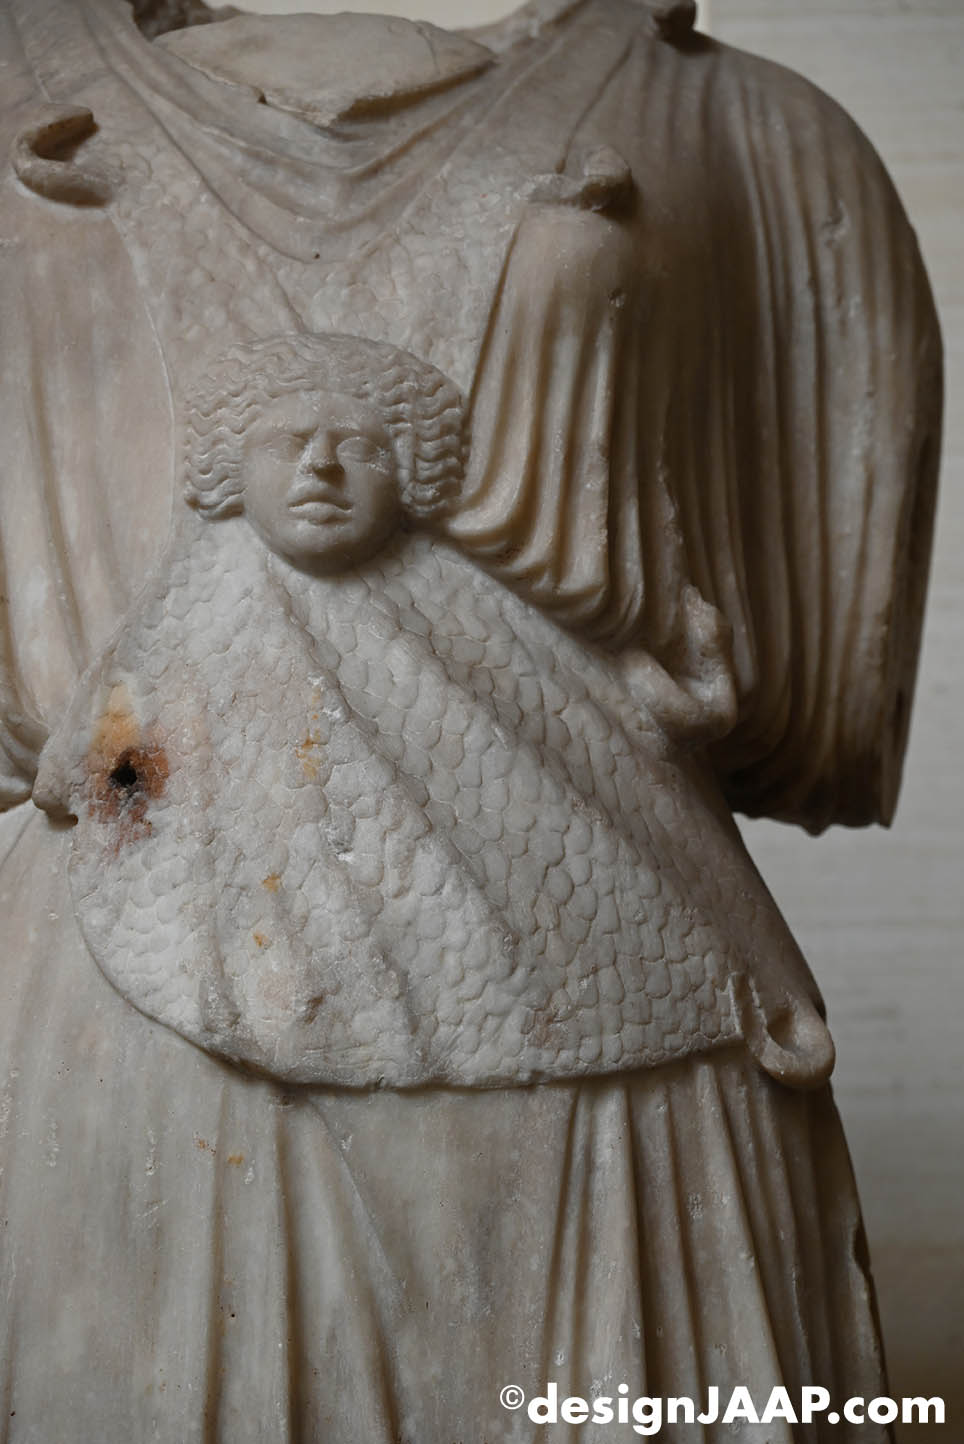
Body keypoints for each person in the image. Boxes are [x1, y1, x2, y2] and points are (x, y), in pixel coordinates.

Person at [0, 1, 941, 1439]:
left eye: (356, 448)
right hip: (127, 1002)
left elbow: (812, 707)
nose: (323, 474)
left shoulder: (753, 131)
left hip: (614, 971)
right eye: (290, 447)